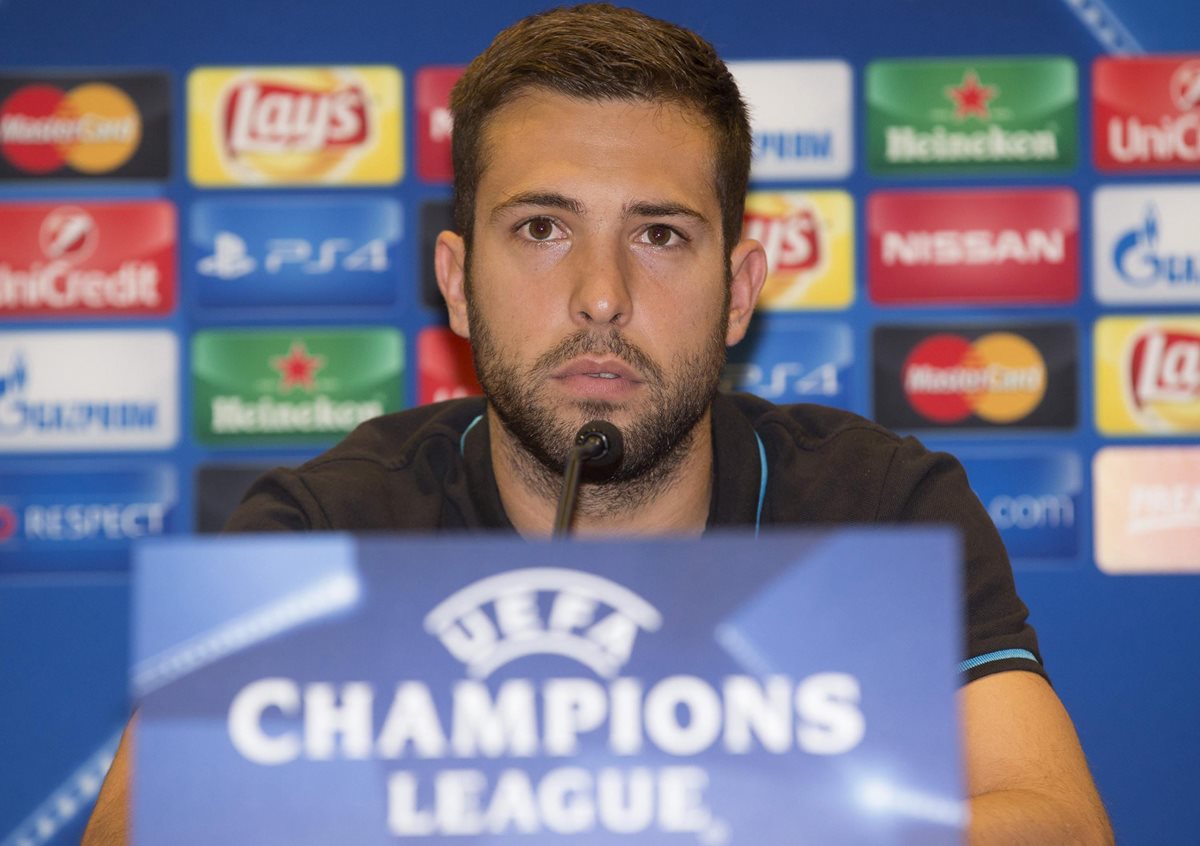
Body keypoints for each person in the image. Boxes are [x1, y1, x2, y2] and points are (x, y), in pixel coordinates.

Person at [84, 4, 1113, 843]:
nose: (602, 295)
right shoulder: (331, 530)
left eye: (660, 234)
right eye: (541, 228)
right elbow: (138, 826)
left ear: (740, 291)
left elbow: (1060, 822)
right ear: (455, 279)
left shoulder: (880, 511)